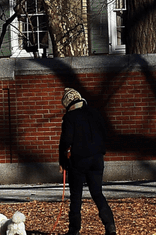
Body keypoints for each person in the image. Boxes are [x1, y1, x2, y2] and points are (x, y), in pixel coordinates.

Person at [58, 87, 116, 235]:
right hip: (97, 159)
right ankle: (110, 226)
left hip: (78, 161)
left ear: (68, 104)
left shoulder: (69, 118)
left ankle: (74, 230)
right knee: (97, 193)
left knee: (76, 196)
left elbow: (65, 141)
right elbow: (105, 133)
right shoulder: (96, 113)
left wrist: (63, 160)